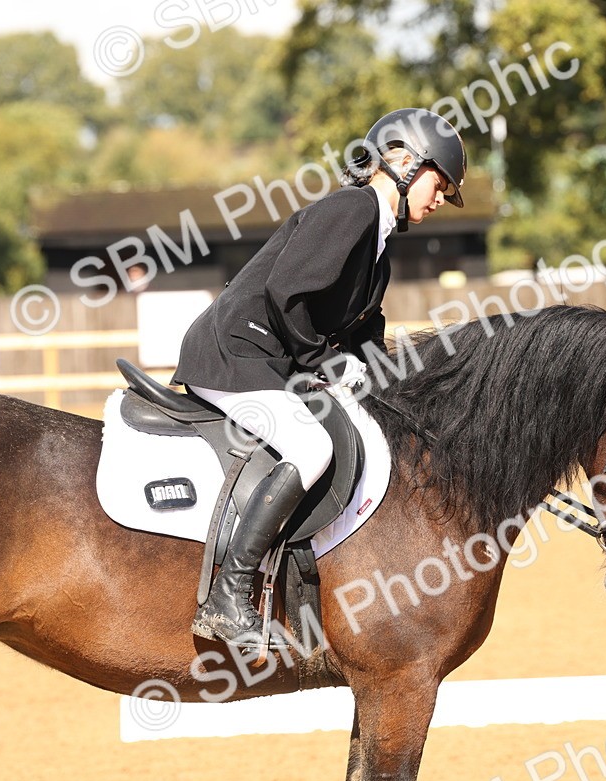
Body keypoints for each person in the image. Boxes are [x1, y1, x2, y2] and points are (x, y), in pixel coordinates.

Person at [173, 108, 467, 649]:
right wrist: (326, 364)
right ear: (403, 162)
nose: (441, 198)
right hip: (237, 353)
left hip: (269, 359)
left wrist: (397, 393)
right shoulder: (353, 208)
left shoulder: (378, 242)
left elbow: (365, 335)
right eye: (439, 183)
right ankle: (228, 596)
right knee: (310, 448)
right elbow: (288, 292)